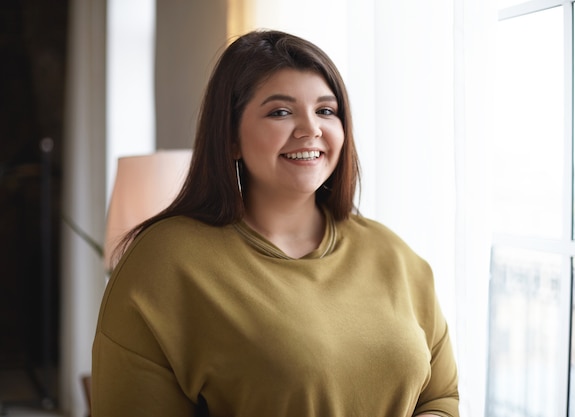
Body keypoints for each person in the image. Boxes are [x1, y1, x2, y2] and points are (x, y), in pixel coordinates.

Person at [91, 29, 459, 417]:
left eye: (326, 110)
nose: (311, 129)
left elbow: (440, 397)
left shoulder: (393, 254)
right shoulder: (163, 262)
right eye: (280, 111)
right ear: (231, 136)